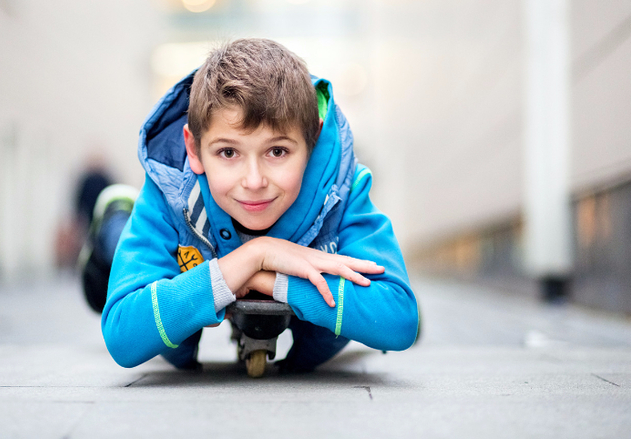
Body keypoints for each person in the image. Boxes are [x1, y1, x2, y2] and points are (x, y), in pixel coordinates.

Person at [99, 39, 419, 373]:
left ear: (312, 143)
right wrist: (257, 254)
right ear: (193, 150)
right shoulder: (170, 189)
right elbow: (124, 336)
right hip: (171, 257)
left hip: (241, 284)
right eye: (228, 152)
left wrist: (267, 278)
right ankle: (116, 212)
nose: (254, 181)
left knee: (357, 316)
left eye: (277, 151)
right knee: (110, 268)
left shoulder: (342, 188)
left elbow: (398, 320)